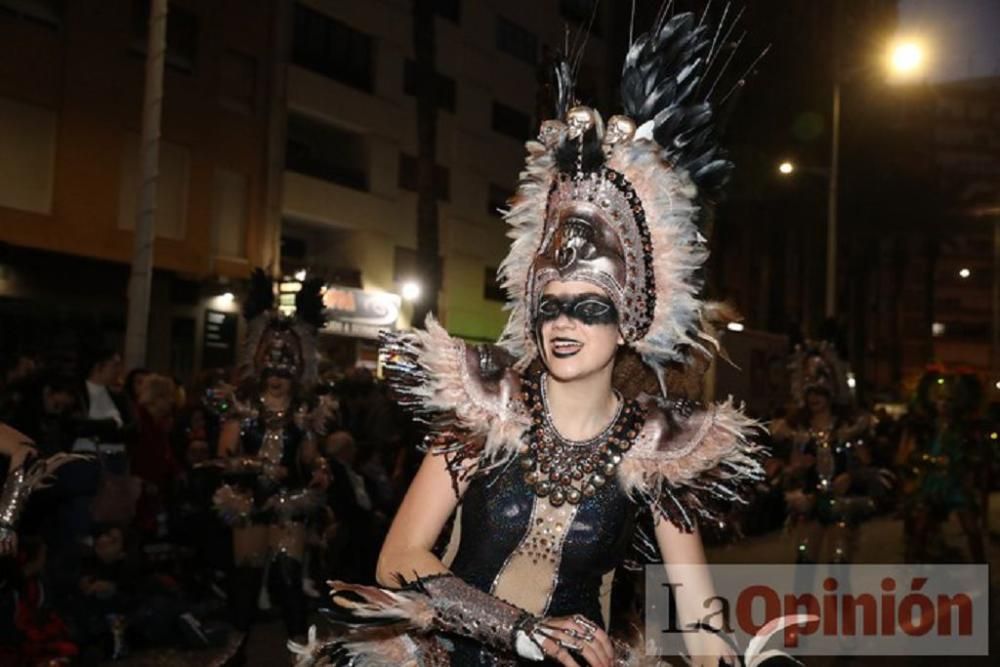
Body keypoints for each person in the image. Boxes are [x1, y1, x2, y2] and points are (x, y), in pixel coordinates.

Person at [293, 11, 766, 666]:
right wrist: (521, 629)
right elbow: (400, 557)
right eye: (550, 304)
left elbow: (701, 617)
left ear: (631, 316)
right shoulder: (483, 411)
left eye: (589, 305)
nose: (562, 322)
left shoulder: (660, 448)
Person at [211, 269, 330, 650]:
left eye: (286, 367)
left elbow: (310, 457)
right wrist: (257, 467)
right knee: (246, 578)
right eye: (271, 365)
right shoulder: (241, 406)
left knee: (288, 574)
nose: (278, 374)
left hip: (288, 502)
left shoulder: (305, 411)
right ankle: (236, 648)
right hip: (247, 501)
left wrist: (320, 469)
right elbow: (223, 458)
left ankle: (300, 649)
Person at [770, 343, 885, 564]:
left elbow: (869, 465)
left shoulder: (849, 429)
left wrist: (851, 476)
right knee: (805, 561)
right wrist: (795, 469)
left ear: (831, 394)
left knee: (838, 563)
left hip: (841, 505)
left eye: (820, 393)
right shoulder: (797, 431)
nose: (814, 398)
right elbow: (782, 470)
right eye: (810, 392)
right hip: (810, 503)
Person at [897, 368, 985, 562]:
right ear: (932, 401)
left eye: (949, 401)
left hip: (956, 483)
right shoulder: (924, 427)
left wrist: (965, 463)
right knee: (920, 528)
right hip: (930, 483)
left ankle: (981, 573)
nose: (944, 405)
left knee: (972, 529)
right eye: (940, 400)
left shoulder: (963, 429)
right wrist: (931, 460)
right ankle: (913, 572)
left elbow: (975, 455)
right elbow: (907, 455)